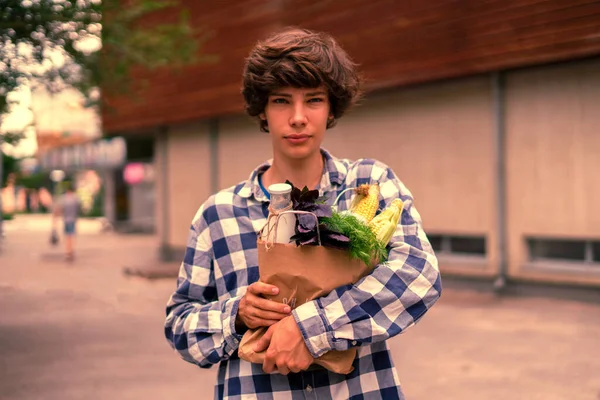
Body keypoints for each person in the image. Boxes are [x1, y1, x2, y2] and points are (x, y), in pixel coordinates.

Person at [164, 28, 442, 399]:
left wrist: (309, 328)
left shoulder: (367, 186)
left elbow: (418, 275)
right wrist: (237, 314)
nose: (297, 118)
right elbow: (180, 326)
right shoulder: (218, 214)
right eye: (281, 101)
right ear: (262, 109)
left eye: (313, 100)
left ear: (331, 109)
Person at [53, 181, 81, 261]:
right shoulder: (76, 198)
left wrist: (55, 218)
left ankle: (67, 251)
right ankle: (71, 250)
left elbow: (59, 209)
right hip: (73, 219)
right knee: (72, 236)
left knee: (67, 236)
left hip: (66, 219)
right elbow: (79, 208)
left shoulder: (63, 198)